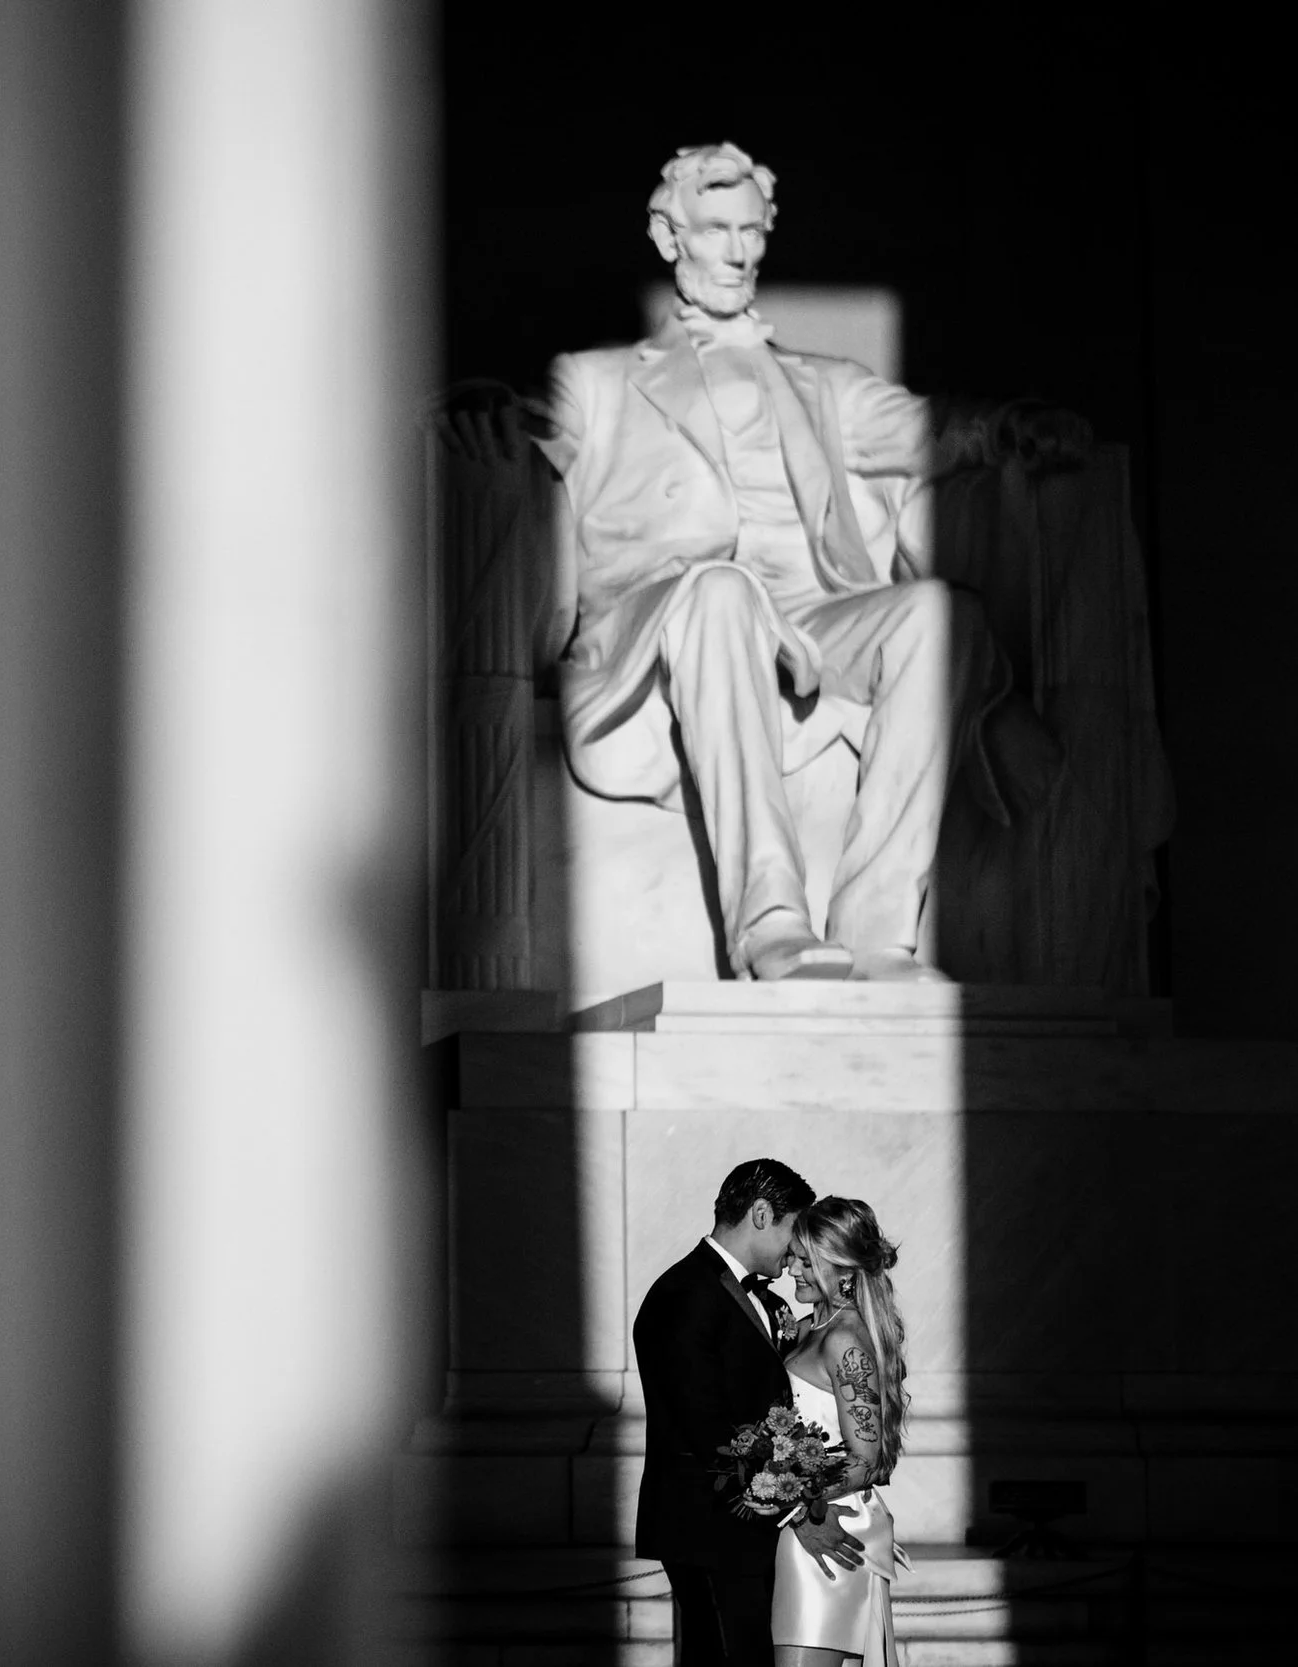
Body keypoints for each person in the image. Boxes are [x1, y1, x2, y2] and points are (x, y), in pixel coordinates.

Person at [522, 142, 1075, 983]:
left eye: (752, 231)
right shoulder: (596, 381)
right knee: (720, 589)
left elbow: (929, 428)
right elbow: (521, 424)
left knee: (937, 615)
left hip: (813, 619)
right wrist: (476, 413)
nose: (739, 252)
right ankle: (770, 920)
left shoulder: (825, 384)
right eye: (716, 230)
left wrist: (1007, 430)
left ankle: (878, 930)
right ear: (669, 236)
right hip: (667, 618)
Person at [635, 1159, 863, 1667]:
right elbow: (708, 1427)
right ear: (761, 1214)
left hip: (746, 1532)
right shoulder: (685, 1294)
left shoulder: (758, 1299)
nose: (795, 1252)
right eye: (793, 1230)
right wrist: (798, 1512)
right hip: (710, 1529)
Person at [773, 1197, 914, 1666]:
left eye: (806, 1260)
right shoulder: (814, 1326)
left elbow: (867, 1458)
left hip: (827, 1525)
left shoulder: (843, 1339)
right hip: (803, 1523)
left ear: (843, 1268)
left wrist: (789, 1495)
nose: (792, 1269)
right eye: (795, 1255)